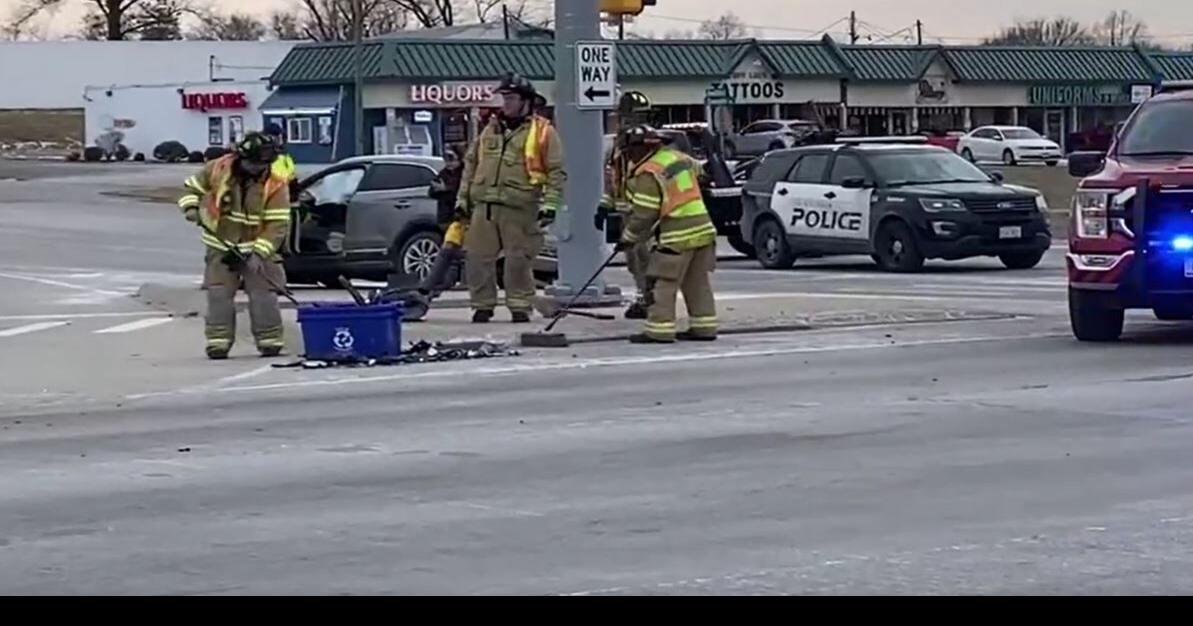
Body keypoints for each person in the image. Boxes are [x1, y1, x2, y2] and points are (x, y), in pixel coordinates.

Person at [456, 73, 564, 323]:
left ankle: (520, 306)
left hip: (520, 206)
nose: (506, 103)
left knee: (518, 259)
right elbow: (471, 165)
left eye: (511, 98)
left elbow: (556, 171)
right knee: (477, 258)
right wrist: (462, 200)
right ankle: (482, 305)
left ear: (526, 101)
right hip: (484, 205)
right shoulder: (489, 129)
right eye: (504, 98)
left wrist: (550, 205)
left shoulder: (543, 132)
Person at [178, 132, 291, 359]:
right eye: (255, 164)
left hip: (258, 246)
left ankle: (270, 341)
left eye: (263, 164)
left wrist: (259, 254)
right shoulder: (218, 169)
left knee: (264, 294)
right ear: (242, 158)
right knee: (219, 294)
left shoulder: (276, 183)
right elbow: (191, 189)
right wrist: (190, 208)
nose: (259, 169)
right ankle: (218, 342)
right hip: (221, 244)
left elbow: (277, 224)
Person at [615, 124, 718, 344]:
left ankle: (659, 330)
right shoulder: (680, 159)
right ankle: (704, 327)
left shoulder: (648, 172)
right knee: (697, 283)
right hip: (703, 229)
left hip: (677, 235)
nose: (628, 156)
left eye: (629, 151)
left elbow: (645, 213)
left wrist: (628, 238)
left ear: (640, 148)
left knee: (661, 282)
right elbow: (703, 175)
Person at [430, 144, 464, 230]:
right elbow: (431, 193)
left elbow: (461, 192)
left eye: (451, 159)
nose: (448, 163)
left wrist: (446, 189)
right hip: (444, 217)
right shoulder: (443, 174)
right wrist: (437, 190)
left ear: (459, 159)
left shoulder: (464, 173)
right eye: (446, 159)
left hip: (459, 215)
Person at [264, 123, 298, 195]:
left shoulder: (283, 154)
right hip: (273, 194)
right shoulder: (267, 155)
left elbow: (291, 173)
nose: (280, 138)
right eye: (278, 136)